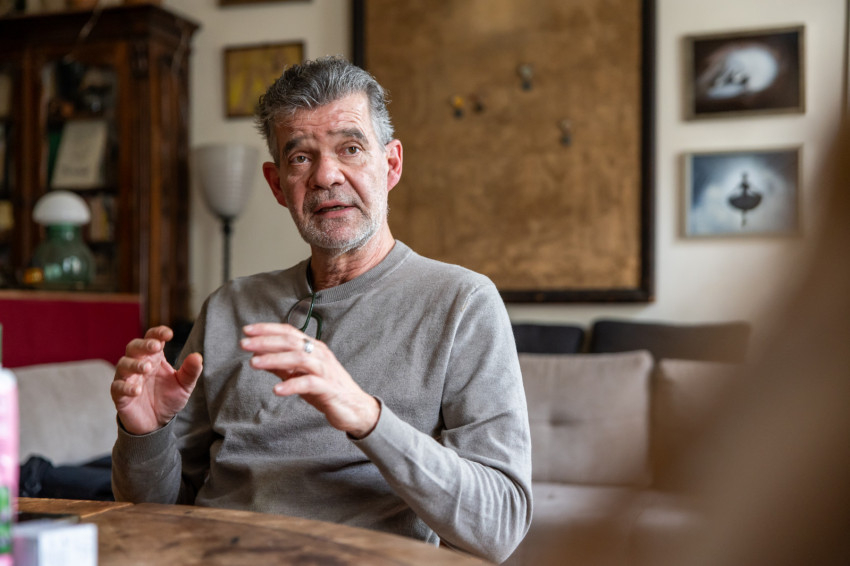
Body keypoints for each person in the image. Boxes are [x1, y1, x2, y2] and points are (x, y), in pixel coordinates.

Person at [110, 55, 532, 563]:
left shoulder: (462, 302)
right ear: (277, 184)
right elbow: (154, 513)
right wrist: (145, 434)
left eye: (350, 148)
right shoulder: (229, 306)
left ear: (391, 164)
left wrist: (366, 417)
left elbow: (500, 525)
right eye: (300, 158)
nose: (326, 175)